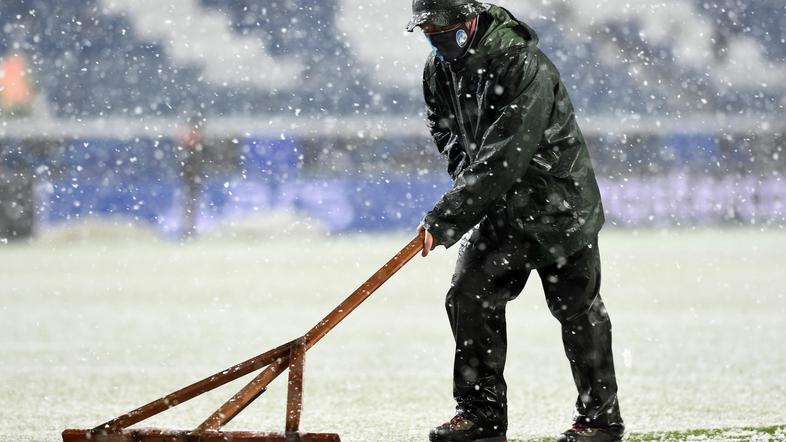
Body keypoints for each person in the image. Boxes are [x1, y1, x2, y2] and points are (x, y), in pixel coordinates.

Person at [407, 1, 624, 441]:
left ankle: (600, 421)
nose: (436, 37)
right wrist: (471, 184)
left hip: (559, 206)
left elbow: (507, 153)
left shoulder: (523, 64)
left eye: (443, 27)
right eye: (428, 30)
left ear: (469, 19)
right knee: (468, 296)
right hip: (502, 209)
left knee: (576, 311)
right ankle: (481, 415)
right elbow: (446, 132)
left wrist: (448, 216)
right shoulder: (438, 70)